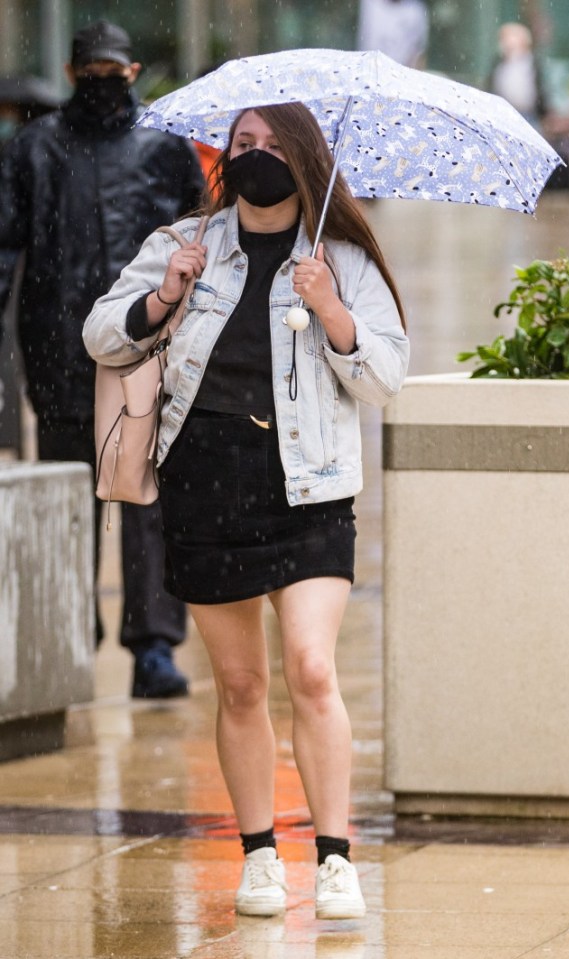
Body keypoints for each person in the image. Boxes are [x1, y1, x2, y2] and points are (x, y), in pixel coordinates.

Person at [83, 102, 409, 919]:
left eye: (271, 146)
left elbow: (384, 378)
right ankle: (260, 854)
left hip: (309, 490)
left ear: (302, 157)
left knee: (310, 666)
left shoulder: (338, 257)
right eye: (242, 145)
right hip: (207, 487)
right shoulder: (183, 244)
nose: (255, 158)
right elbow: (99, 336)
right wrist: (163, 297)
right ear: (222, 157)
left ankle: (333, 858)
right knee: (237, 683)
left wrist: (331, 309)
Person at [0, 20, 205, 697]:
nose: (103, 85)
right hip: (57, 347)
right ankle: (69, 636)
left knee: (147, 493)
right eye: (94, 74)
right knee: (67, 494)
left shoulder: (163, 146)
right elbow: (5, 248)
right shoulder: (31, 150)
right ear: (69, 74)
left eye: (113, 73)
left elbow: (199, 235)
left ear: (134, 69)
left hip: (147, 344)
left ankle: (152, 644)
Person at [357, 0, 429, 69]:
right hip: (367, 69)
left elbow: (418, 55)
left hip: (399, 75)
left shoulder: (416, 11)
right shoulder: (370, 4)